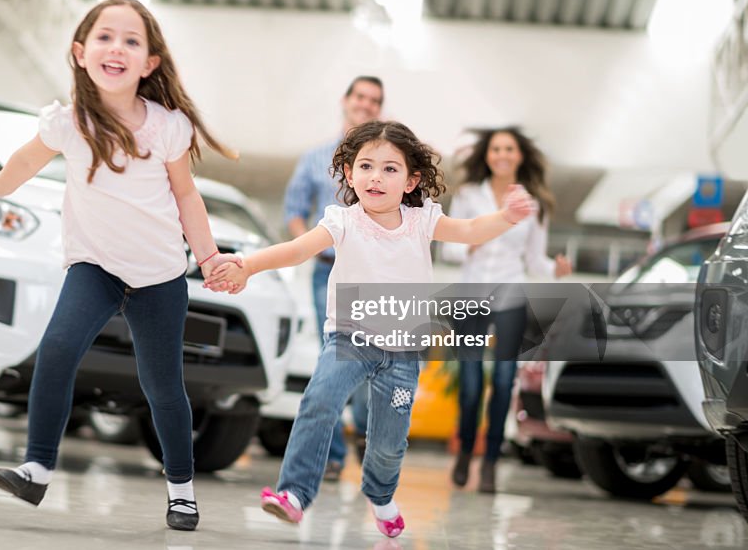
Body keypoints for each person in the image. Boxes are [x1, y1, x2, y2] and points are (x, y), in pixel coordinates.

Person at [0, 0, 240, 531]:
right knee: (55, 350)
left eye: (130, 40)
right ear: (80, 52)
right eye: (103, 37)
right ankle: (36, 468)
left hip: (159, 277)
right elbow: (26, 160)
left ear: (149, 62)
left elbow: (187, 196)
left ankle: (182, 491)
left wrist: (209, 256)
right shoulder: (67, 122)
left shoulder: (167, 126)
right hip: (95, 267)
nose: (115, 48)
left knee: (162, 385)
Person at [207, 120, 535, 537]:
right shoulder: (343, 221)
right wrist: (249, 265)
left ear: (412, 179)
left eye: (389, 169)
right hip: (350, 339)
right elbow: (296, 250)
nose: (375, 177)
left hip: (402, 353)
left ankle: (381, 496)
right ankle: (294, 494)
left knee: (387, 442)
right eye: (365, 166)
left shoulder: (422, 220)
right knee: (319, 400)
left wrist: (506, 217)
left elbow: (470, 231)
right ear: (348, 173)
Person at [442, 127, 572, 494]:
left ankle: (491, 463)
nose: (501, 154)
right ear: (487, 155)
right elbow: (450, 245)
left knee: (502, 382)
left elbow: (535, 260)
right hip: (470, 296)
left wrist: (556, 270)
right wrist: (469, 242)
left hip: (511, 296)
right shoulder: (469, 196)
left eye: (509, 149)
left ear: (519, 156)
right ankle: (467, 451)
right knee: (469, 386)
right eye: (495, 148)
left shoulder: (533, 204)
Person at [283, 75, 383, 479]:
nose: (366, 104)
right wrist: (307, 245)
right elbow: (293, 211)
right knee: (333, 358)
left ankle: (363, 430)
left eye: (374, 100)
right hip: (326, 272)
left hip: (374, 277)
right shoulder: (314, 158)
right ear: (346, 101)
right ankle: (334, 455)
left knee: (370, 360)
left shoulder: (385, 162)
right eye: (360, 96)